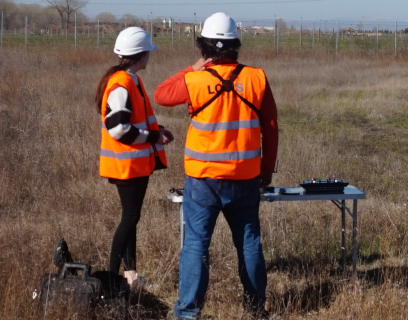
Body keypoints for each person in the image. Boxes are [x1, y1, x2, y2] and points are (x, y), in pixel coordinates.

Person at [153, 12, 278, 319]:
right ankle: (255, 309)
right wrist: (266, 170)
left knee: (196, 245)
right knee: (249, 243)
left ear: (204, 47)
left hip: (203, 180)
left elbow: (161, 94)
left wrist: (191, 68)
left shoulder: (194, 80)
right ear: (235, 45)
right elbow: (271, 127)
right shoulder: (256, 78)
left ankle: (188, 313)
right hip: (246, 178)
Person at [97, 27, 171, 292]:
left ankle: (130, 276)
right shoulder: (121, 84)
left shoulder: (131, 80)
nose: (150, 57)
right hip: (126, 165)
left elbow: (134, 121)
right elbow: (118, 129)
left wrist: (157, 130)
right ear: (141, 55)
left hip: (134, 164)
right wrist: (153, 137)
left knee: (132, 218)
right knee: (129, 218)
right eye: (148, 52)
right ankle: (110, 281)